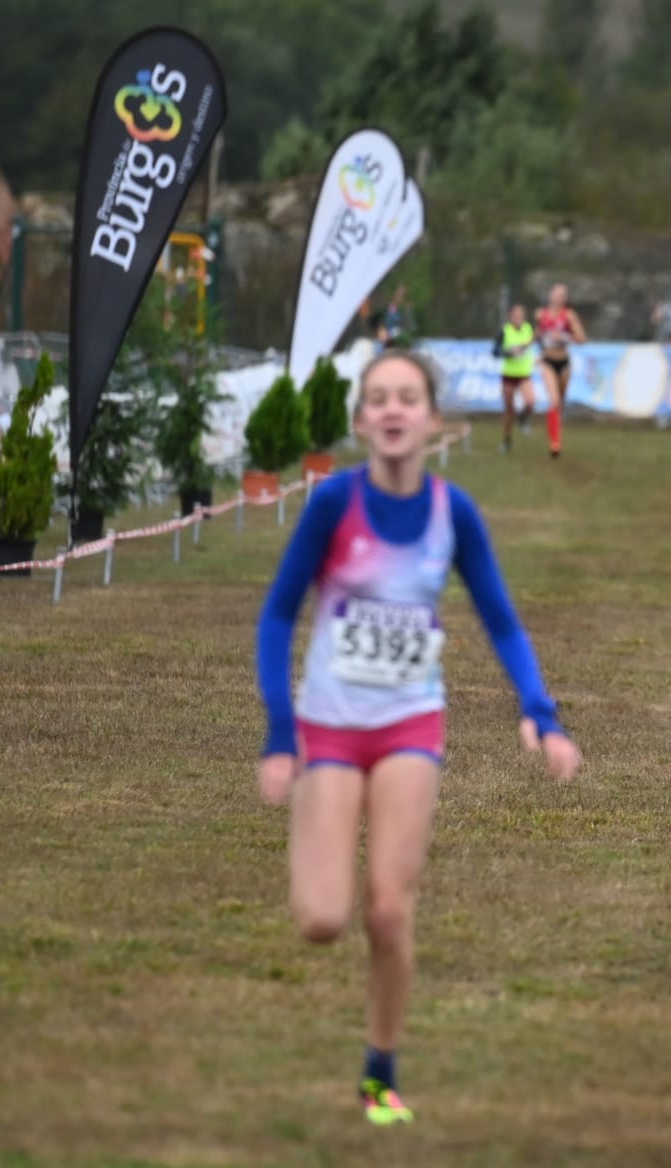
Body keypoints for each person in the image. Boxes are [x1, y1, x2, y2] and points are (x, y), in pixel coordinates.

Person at [254, 349, 582, 1125]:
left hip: (409, 726)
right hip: (329, 729)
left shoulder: (452, 513)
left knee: (389, 912)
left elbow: (500, 618)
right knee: (322, 920)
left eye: (409, 398)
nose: (394, 410)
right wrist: (280, 733)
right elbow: (277, 615)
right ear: (364, 419)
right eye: (380, 399)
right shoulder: (334, 503)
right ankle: (316, 840)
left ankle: (379, 1072)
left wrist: (541, 711)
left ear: (433, 420)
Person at [536, 284, 588, 458]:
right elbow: (537, 335)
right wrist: (539, 350)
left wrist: (564, 337)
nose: (559, 298)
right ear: (550, 295)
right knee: (554, 400)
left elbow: (582, 339)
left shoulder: (569, 315)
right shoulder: (541, 314)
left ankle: (555, 425)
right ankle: (555, 443)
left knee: (560, 401)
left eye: (562, 295)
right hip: (547, 361)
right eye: (556, 294)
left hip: (564, 362)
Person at [493, 303, 537, 454]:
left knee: (531, 401)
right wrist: (508, 353)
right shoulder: (504, 331)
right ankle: (506, 440)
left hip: (524, 374)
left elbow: (534, 341)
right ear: (510, 316)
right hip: (509, 375)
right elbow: (495, 351)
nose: (519, 318)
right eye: (516, 315)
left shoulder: (528, 329)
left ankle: (523, 418)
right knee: (509, 409)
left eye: (521, 315)